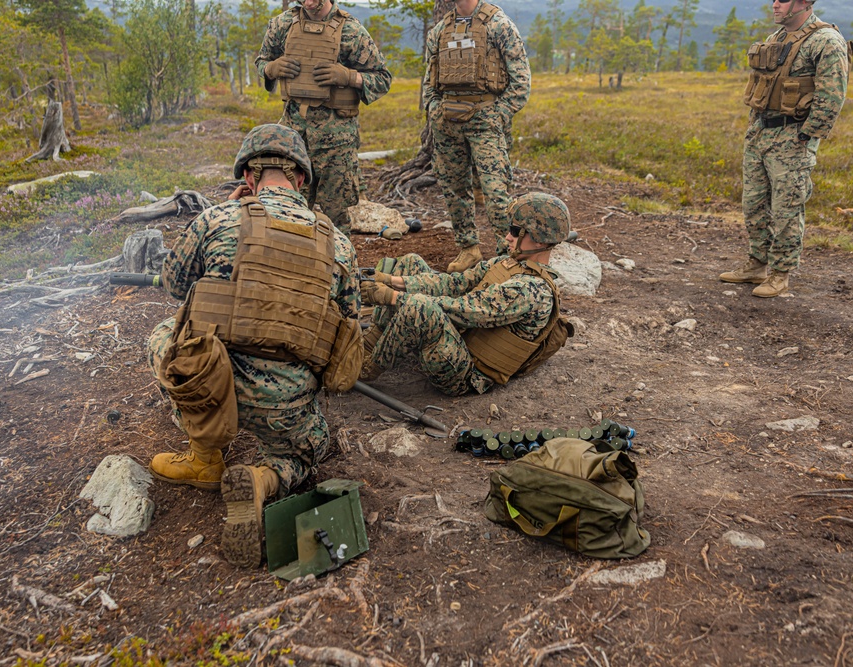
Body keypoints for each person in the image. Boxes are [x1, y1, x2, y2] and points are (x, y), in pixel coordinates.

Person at [146, 124, 361, 567]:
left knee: (165, 334)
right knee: (308, 452)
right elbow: (349, 325)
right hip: (286, 401)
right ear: (301, 179)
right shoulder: (339, 243)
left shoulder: (215, 220)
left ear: (248, 177)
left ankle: (205, 455)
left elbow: (174, 284)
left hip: (212, 384)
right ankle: (264, 477)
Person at [359, 193, 571, 396]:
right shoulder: (507, 263)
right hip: (460, 339)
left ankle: (365, 371)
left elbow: (463, 310)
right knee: (410, 263)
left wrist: (391, 296)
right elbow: (454, 283)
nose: (508, 236)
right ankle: (371, 344)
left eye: (516, 231)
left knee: (419, 306)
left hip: (466, 372)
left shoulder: (532, 291)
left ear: (540, 241)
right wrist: (390, 281)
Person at [720, 0, 849, 297]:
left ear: (803, 3)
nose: (775, 4)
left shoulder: (826, 41)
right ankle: (756, 264)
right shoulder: (775, 39)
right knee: (753, 204)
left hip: (792, 138)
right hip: (761, 134)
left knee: (786, 208)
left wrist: (806, 137)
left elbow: (832, 95)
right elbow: (764, 87)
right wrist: (754, 127)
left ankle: (780, 273)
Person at [256, 0, 392, 236]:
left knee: (336, 220)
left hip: (336, 144)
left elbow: (382, 79)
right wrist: (272, 69)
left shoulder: (350, 30)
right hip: (294, 140)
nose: (308, 2)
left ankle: (340, 270)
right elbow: (262, 61)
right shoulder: (283, 24)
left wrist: (349, 77)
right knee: (289, 215)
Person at [422, 0, 530, 273]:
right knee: (454, 189)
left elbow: (522, 81)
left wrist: (498, 114)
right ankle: (468, 249)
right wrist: (434, 109)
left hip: (485, 121)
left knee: (496, 193)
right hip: (447, 123)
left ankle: (506, 255)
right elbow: (429, 81)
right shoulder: (439, 31)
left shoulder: (499, 25)